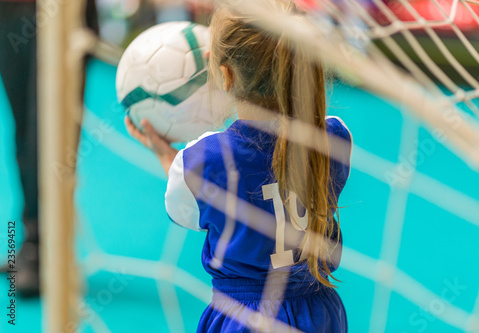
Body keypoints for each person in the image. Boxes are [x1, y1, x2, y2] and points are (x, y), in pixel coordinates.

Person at [125, 0, 352, 331]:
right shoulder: (334, 137)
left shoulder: (202, 160)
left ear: (225, 75)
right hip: (319, 313)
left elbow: (188, 209)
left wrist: (164, 155)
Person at [0, 0, 99, 297]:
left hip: (62, 12)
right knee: (23, 133)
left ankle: (47, 247)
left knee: (49, 134)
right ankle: (33, 238)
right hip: (9, 12)